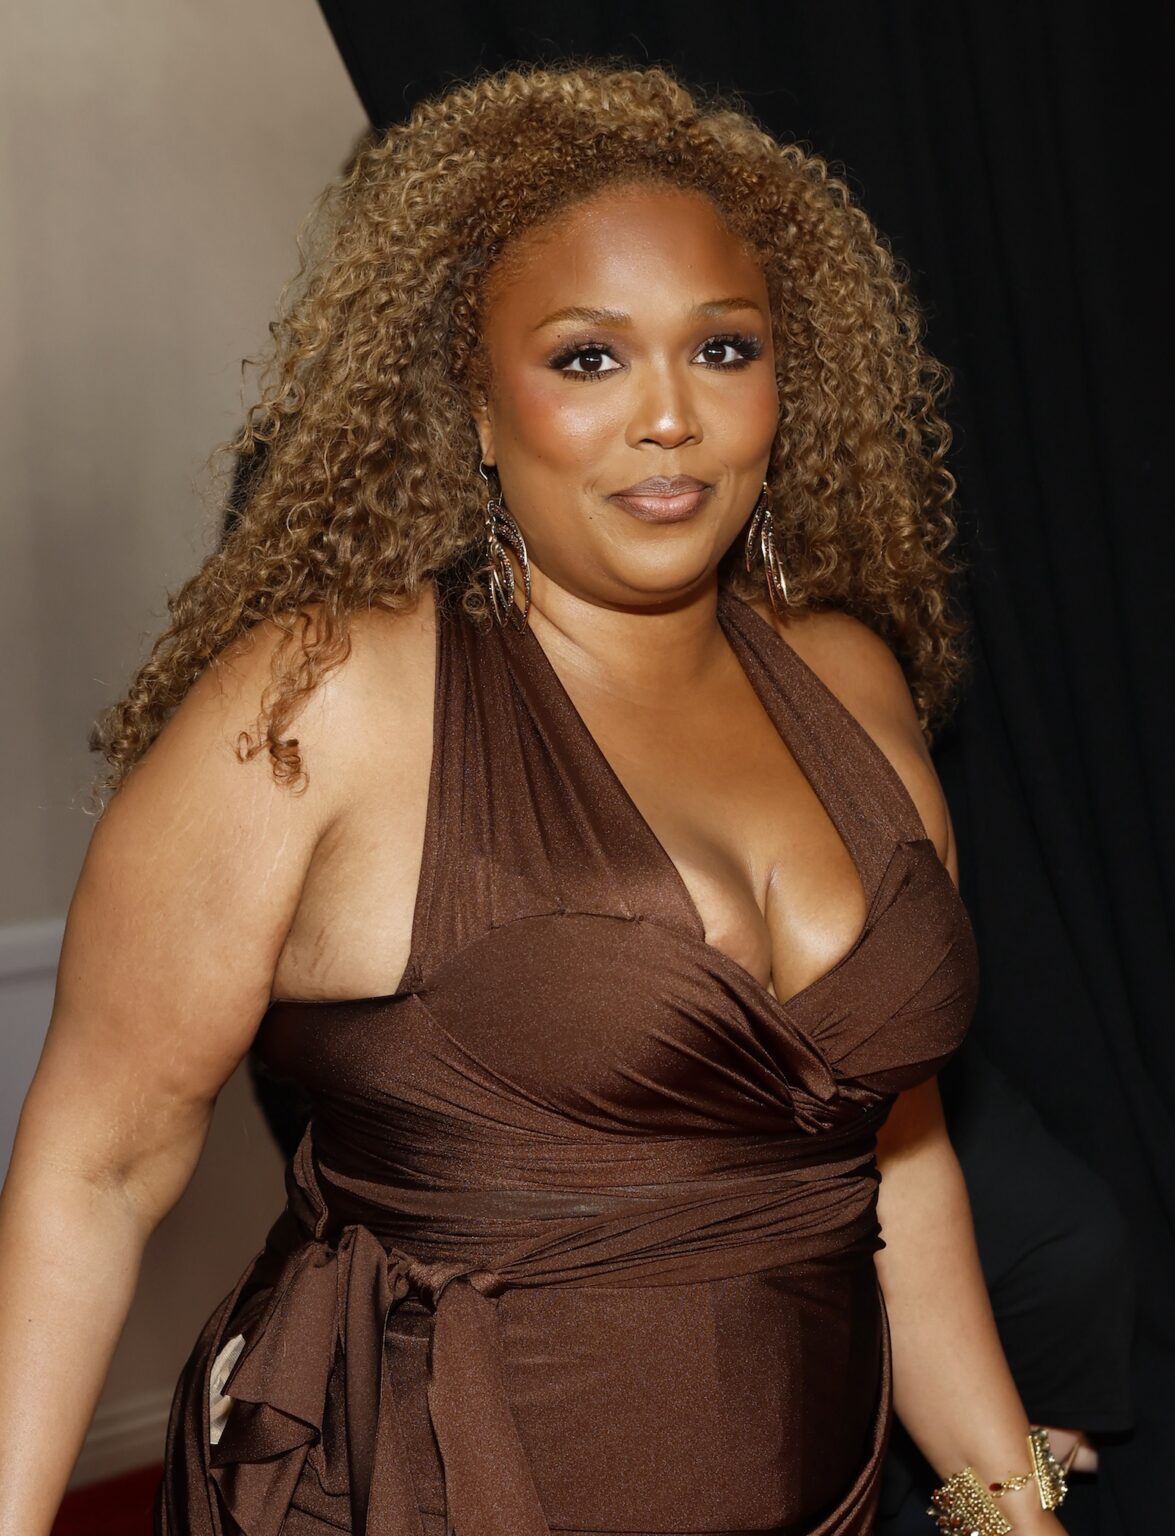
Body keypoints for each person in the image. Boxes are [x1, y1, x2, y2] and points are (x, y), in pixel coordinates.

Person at [0, 61, 1079, 1536]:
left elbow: (898, 1161)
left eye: (723, 349)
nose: (668, 420)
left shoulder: (853, 686)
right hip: (425, 1491)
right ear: (476, 406)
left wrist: (1008, 1499)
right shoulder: (329, 699)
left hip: (815, 1495)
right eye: (586, 359)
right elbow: (98, 1165)